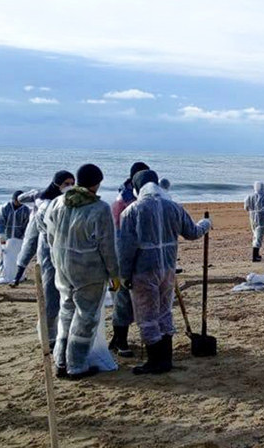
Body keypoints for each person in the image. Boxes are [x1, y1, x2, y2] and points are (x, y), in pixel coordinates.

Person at [117, 170, 211, 375]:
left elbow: (125, 249)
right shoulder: (174, 207)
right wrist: (206, 224)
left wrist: (123, 275)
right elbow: (192, 232)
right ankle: (165, 358)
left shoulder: (132, 211)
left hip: (143, 271)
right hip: (167, 269)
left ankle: (155, 360)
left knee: (146, 315)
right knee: (164, 311)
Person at [44, 164, 121, 380]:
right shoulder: (99, 208)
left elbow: (50, 234)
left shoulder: (59, 202)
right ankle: (76, 365)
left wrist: (56, 259)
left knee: (66, 313)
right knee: (86, 318)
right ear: (96, 183)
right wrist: (114, 274)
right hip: (89, 271)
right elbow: (107, 246)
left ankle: (60, 361)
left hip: (62, 267)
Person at [12, 171, 75, 348]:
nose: (69, 186)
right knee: (50, 299)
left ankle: (60, 334)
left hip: (65, 258)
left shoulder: (67, 203)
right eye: (66, 183)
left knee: (66, 300)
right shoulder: (44, 203)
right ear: (57, 184)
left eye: (72, 183)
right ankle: (48, 337)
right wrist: (20, 266)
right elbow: (31, 240)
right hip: (48, 255)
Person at [107, 162, 149, 358]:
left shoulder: (135, 197)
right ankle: (120, 341)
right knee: (123, 298)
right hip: (122, 254)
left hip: (136, 254)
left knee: (129, 300)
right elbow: (120, 234)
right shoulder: (123, 201)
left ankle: (118, 338)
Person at [0, 191, 31, 284]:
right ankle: (2, 275)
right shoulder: (4, 208)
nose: (18, 202)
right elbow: (0, 222)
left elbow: (27, 225)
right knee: (3, 256)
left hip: (19, 238)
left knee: (18, 257)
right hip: (5, 237)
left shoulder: (26, 210)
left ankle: (19, 275)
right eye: (17, 200)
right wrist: (1, 235)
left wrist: (25, 237)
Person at [245, 181, 264, 262]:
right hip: (262, 217)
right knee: (258, 236)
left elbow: (246, 208)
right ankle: (255, 256)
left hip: (252, 216)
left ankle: (256, 255)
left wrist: (252, 211)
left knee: (255, 234)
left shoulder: (248, 196)